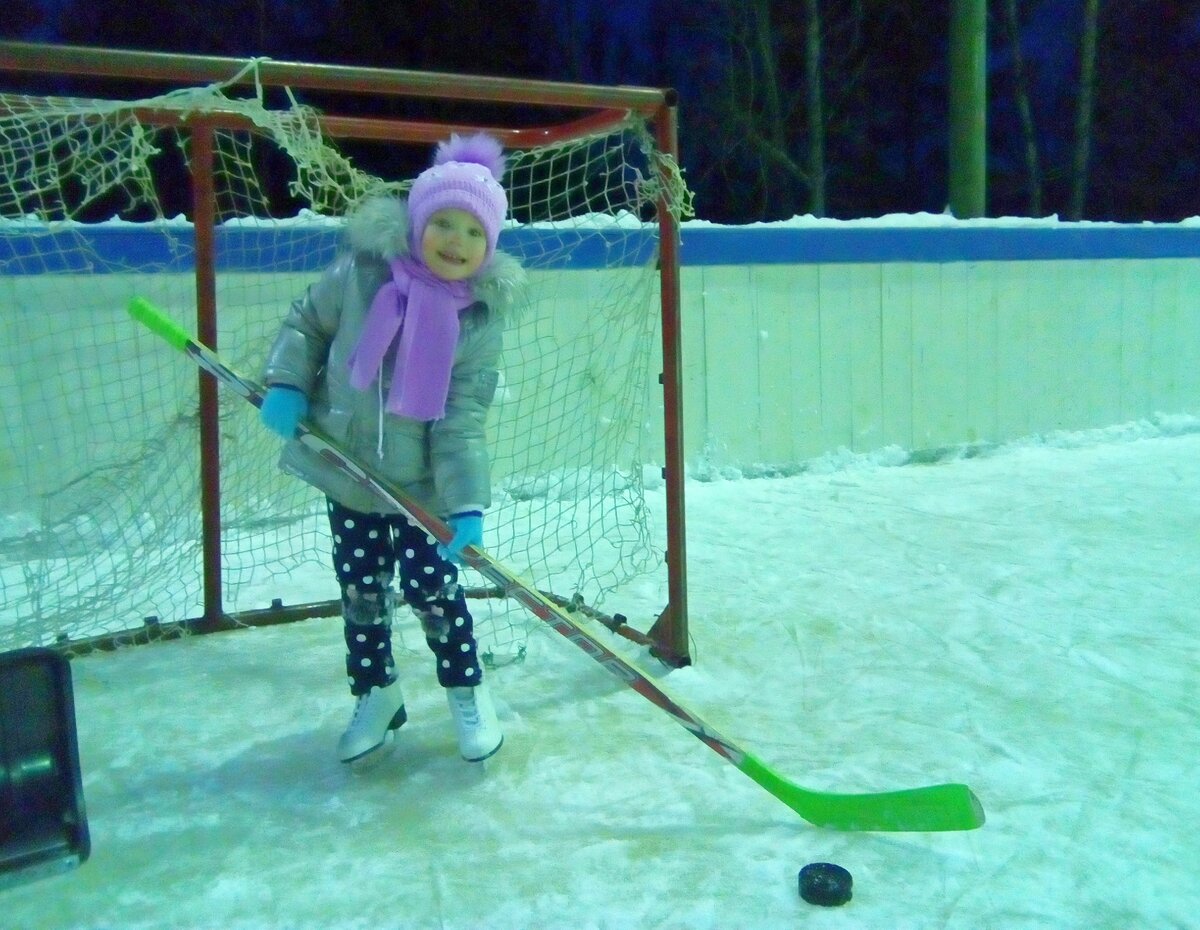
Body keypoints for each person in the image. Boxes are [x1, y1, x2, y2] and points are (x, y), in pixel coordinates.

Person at [258, 133, 524, 765]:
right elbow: (306, 324)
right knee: (361, 592)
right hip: (347, 470)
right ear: (416, 222)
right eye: (442, 223)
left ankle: (467, 690)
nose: (455, 241)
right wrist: (287, 383)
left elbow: (459, 421)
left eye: (472, 232)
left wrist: (465, 505)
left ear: (488, 246)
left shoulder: (477, 319)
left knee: (435, 591)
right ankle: (376, 693)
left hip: (419, 486)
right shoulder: (361, 273)